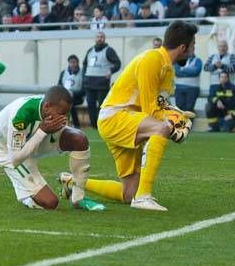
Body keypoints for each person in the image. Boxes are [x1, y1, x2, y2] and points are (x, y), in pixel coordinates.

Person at [84, 21, 197, 211]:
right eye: (193, 45)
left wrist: (177, 115)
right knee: (161, 128)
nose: (194, 50)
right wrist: (172, 122)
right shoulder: (152, 59)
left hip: (125, 119)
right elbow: (150, 110)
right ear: (183, 47)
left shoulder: (167, 69)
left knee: (128, 193)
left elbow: (160, 105)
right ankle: (143, 197)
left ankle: (74, 182)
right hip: (115, 117)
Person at [0, 86, 105, 211]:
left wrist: (47, 130)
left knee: (79, 139)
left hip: (38, 136)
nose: (64, 117)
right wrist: (42, 131)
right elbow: (15, 159)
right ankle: (27, 198)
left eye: (66, 113)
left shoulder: (55, 108)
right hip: (10, 153)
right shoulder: (22, 115)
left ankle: (78, 199)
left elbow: (55, 128)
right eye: (61, 114)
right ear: (46, 107)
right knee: (50, 203)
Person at [82, 31, 121, 129]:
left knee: (102, 106)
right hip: (89, 83)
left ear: (104, 39)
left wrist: (111, 71)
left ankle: (102, 125)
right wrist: (84, 77)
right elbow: (84, 64)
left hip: (101, 83)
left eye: (101, 37)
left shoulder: (109, 50)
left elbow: (118, 63)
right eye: (98, 37)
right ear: (95, 39)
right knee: (90, 105)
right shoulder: (90, 50)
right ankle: (94, 126)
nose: (99, 39)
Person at [174, 42, 202, 114]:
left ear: (193, 49)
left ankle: (188, 125)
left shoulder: (198, 60)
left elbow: (196, 72)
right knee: (178, 109)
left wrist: (183, 69)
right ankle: (180, 125)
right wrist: (190, 70)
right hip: (179, 88)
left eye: (190, 49)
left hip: (192, 88)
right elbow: (177, 72)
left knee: (189, 109)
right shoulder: (178, 60)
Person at [58, 54, 84, 128]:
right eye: (71, 62)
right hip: (64, 96)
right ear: (68, 63)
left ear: (77, 63)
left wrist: (73, 93)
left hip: (77, 97)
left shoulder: (82, 73)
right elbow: (59, 85)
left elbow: (84, 90)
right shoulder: (63, 73)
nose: (72, 64)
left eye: (74, 62)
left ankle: (76, 125)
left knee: (70, 104)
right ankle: (60, 123)